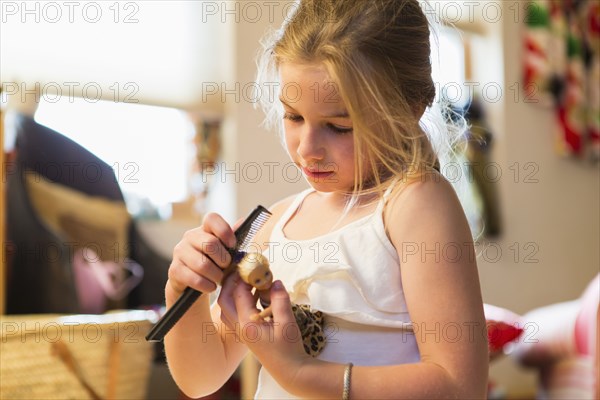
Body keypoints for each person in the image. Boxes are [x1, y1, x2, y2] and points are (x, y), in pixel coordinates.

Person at [164, 0, 489, 398]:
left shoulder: (416, 203)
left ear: (410, 108)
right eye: (294, 117)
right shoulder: (276, 224)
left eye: (338, 126)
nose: (308, 149)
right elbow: (201, 379)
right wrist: (184, 291)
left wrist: (300, 374)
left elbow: (460, 385)